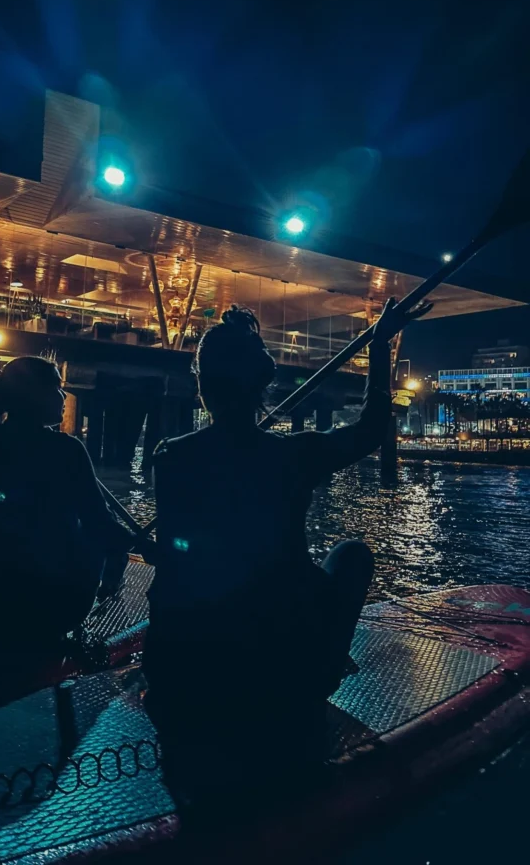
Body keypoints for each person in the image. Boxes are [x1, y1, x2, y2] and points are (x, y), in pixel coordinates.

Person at [143, 298, 431, 815]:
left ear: (203, 387)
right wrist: (379, 345)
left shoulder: (171, 455)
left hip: (180, 675)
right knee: (351, 555)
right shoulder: (293, 454)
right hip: (277, 673)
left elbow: (174, 558)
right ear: (264, 383)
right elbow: (370, 430)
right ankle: (320, 674)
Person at [0, 356, 131, 648]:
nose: (64, 396)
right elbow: (100, 523)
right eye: (56, 387)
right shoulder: (67, 450)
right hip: (48, 609)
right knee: (98, 535)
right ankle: (108, 590)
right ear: (37, 396)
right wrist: (143, 546)